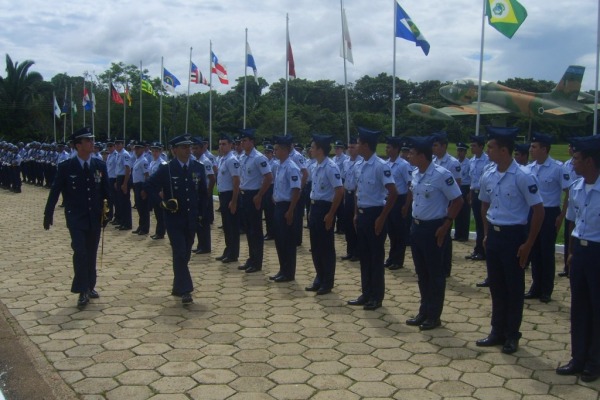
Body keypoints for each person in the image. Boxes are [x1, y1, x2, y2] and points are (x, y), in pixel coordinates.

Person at [475, 126, 544, 354]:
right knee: (496, 286)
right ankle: (497, 331)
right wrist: (485, 233)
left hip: (514, 236)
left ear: (504, 150)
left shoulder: (523, 176)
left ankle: (512, 335)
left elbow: (538, 210)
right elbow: (484, 204)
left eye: (491, 147)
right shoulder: (489, 173)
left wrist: (528, 244)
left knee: (514, 288)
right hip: (494, 236)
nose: (488, 151)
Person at [43, 127, 111, 307]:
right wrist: (48, 212)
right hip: (76, 218)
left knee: (91, 252)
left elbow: (106, 190)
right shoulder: (66, 167)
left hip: (94, 217)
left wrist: (110, 210)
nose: (92, 143)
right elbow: (55, 190)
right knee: (80, 252)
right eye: (87, 140)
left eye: (92, 140)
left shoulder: (99, 165)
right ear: (78, 145)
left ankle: (90, 285)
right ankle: (82, 290)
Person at [405, 136, 464, 330]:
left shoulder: (441, 174)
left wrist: (446, 224)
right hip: (417, 227)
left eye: (412, 153)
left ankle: (434, 315)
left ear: (422, 156)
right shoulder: (415, 173)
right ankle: (424, 310)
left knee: (435, 274)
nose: (409, 156)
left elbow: (457, 200)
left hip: (434, 229)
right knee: (422, 273)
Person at [556, 134, 600, 383]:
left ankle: (594, 362)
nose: (572, 163)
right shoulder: (577, 188)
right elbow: (573, 223)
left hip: (598, 252)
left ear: (590, 161)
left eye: (576, 158)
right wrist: (571, 253)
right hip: (581, 254)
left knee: (597, 309)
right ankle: (578, 357)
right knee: (579, 308)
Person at [143, 134, 207, 305]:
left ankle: (178, 285)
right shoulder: (167, 169)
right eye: (184, 147)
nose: (188, 150)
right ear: (174, 150)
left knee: (185, 253)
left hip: (191, 218)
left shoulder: (198, 167)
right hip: (174, 219)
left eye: (189, 147)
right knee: (179, 251)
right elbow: (149, 186)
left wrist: (203, 215)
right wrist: (162, 203)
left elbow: (203, 193)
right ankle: (186, 290)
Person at [347, 127, 397, 311]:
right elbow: (357, 192)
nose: (356, 145)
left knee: (376, 257)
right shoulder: (359, 165)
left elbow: (393, 193)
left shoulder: (380, 166)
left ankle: (376, 296)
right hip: (362, 215)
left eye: (359, 143)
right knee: (365, 256)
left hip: (376, 214)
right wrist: (355, 213)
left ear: (366, 145)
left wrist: (382, 218)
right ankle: (366, 293)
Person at [524, 132, 570, 303]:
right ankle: (535, 287)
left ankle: (546, 289)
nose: (531, 150)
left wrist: (561, 216)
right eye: (531, 147)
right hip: (533, 212)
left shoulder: (558, 168)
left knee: (546, 252)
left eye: (534, 147)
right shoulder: (529, 168)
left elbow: (568, 193)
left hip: (550, 212)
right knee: (534, 250)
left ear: (544, 149)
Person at [305, 134, 344, 295]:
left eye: (313, 147)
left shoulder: (331, 167)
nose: (310, 150)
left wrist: (330, 214)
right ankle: (319, 278)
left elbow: (339, 191)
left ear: (320, 149)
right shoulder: (315, 166)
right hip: (314, 208)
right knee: (315, 247)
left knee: (326, 247)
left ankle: (327, 282)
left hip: (325, 209)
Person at [237, 129, 273, 273]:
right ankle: (251, 258)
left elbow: (269, 178)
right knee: (248, 229)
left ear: (252, 142)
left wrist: (259, 196)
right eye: (241, 141)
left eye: (245, 140)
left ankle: (257, 262)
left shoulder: (259, 158)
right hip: (244, 195)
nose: (242, 143)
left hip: (254, 195)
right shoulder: (242, 157)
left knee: (255, 230)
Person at [270, 135, 302, 282]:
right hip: (278, 206)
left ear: (284, 150)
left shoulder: (292, 167)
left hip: (287, 207)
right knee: (279, 240)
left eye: (276, 149)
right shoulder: (279, 166)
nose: (274, 151)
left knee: (287, 241)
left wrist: (290, 210)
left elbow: (296, 190)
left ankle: (289, 272)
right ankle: (282, 269)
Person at [432, 132, 461, 277]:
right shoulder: (433, 160)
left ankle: (445, 268)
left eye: (436, 145)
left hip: (448, 202)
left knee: (446, 236)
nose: (434, 148)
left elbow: (458, 186)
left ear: (444, 146)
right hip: (435, 202)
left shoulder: (453, 163)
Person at [384, 136, 412, 270]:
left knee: (399, 231)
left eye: (389, 147)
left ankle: (398, 260)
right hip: (389, 200)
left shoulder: (404, 165)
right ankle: (391, 257)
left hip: (400, 200)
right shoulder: (387, 164)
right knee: (391, 231)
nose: (386, 149)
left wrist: (406, 205)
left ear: (396, 149)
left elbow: (410, 186)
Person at [215, 134, 241, 264]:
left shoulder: (232, 160)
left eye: (224, 144)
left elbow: (236, 181)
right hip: (223, 195)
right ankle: (228, 250)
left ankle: (233, 253)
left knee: (232, 226)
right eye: (220, 144)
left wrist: (234, 200)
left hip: (230, 195)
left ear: (231, 145)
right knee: (226, 225)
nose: (221, 146)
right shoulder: (222, 159)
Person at [466, 135, 491, 267]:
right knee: (477, 223)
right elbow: (472, 180)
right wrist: (470, 194)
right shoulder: (472, 161)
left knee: (483, 224)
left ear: (482, 146)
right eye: (471, 145)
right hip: (475, 193)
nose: (472, 148)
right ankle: (477, 249)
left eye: (474, 145)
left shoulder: (487, 160)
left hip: (484, 195)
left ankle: (483, 250)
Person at [559, 141, 580, 278]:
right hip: (572, 204)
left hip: (581, 204)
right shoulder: (566, 165)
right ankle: (567, 266)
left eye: (570, 147)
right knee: (569, 237)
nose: (568, 149)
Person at [340, 138, 362, 262]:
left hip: (356, 195)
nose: (350, 149)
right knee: (348, 224)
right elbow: (344, 180)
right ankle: (350, 250)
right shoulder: (346, 162)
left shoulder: (361, 162)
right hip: (347, 195)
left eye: (353, 147)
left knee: (356, 225)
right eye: (349, 147)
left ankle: (357, 252)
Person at [148, 142, 167, 240]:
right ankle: (158, 231)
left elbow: (164, 178)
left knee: (160, 212)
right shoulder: (152, 162)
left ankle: (161, 232)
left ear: (160, 151)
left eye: (156, 151)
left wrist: (162, 190)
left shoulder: (162, 163)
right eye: (153, 151)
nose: (154, 153)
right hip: (153, 189)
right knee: (156, 211)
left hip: (159, 189)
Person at [131, 141, 150, 235]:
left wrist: (144, 189)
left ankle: (145, 228)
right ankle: (141, 225)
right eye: (135, 148)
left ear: (143, 149)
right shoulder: (137, 159)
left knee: (143, 208)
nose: (136, 150)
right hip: (136, 185)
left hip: (141, 185)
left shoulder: (144, 161)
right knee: (139, 207)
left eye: (138, 148)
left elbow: (147, 175)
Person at [454, 142, 471, 242]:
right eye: (458, 150)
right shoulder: (455, 162)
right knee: (457, 212)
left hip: (465, 187)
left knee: (465, 212)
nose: (459, 153)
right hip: (457, 187)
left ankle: (464, 235)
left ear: (465, 152)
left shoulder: (468, 163)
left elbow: (471, 177)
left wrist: (469, 192)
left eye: (461, 151)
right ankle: (457, 234)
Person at [114, 138, 132, 230]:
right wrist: (117, 181)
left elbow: (127, 169)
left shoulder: (125, 154)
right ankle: (122, 221)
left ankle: (127, 223)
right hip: (119, 178)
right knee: (120, 202)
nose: (117, 145)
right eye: (116, 144)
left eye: (119, 144)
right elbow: (118, 170)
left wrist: (124, 184)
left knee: (125, 202)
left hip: (124, 178)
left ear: (123, 144)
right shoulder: (118, 154)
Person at [262, 144, 278, 241]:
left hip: (272, 187)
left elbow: (275, 179)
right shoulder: (265, 162)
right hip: (265, 187)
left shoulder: (275, 164)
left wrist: (274, 193)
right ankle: (269, 232)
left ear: (272, 153)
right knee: (267, 212)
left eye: (268, 152)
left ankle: (272, 233)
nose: (266, 154)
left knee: (271, 212)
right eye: (265, 152)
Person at [333, 140, 348, 234]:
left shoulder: (345, 159)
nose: (336, 149)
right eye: (335, 148)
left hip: (342, 182)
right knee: (335, 204)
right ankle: (337, 227)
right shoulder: (333, 159)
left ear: (342, 149)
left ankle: (341, 227)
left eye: (338, 148)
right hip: (334, 183)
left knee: (341, 207)